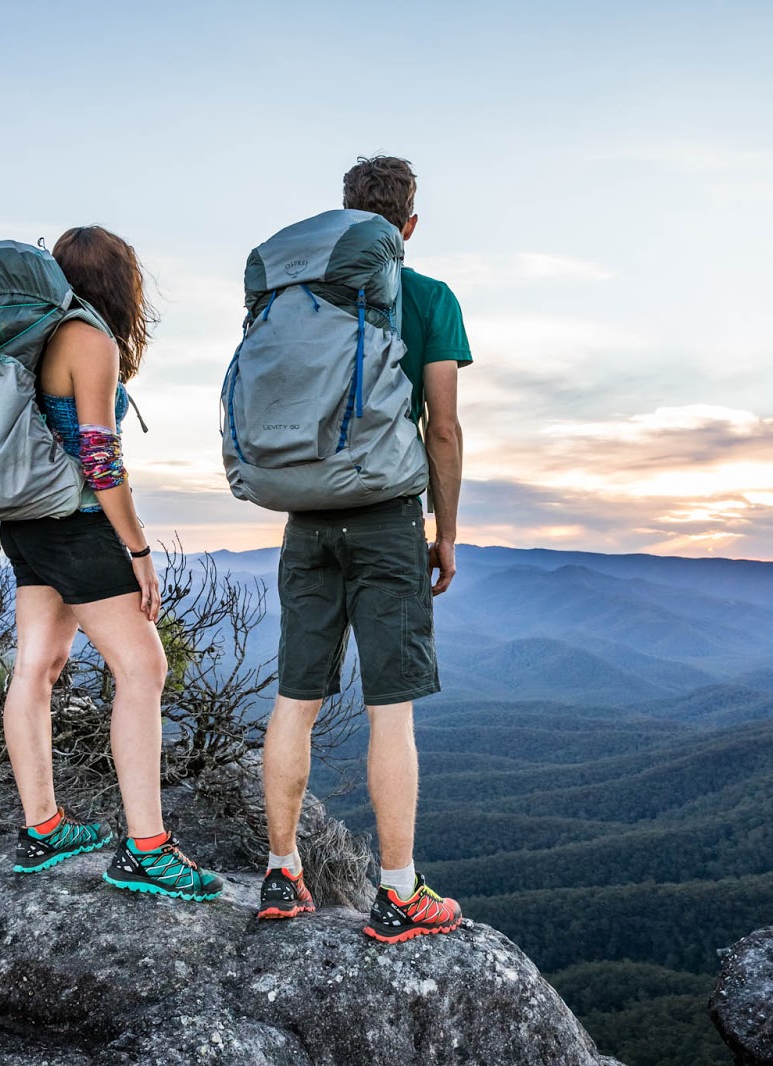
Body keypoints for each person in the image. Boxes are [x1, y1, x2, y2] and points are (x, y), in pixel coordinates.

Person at [257, 157, 472, 942]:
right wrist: (444, 531)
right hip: (385, 519)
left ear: (345, 216)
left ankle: (282, 876)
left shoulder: (299, 297)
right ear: (408, 226)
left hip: (307, 517)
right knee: (391, 711)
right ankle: (398, 892)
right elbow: (441, 426)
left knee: (296, 700)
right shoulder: (427, 298)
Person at [0, 225, 222, 902]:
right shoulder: (88, 340)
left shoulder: (36, 339)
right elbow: (98, 456)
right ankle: (146, 849)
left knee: (37, 667)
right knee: (144, 666)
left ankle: (43, 829)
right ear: (122, 285)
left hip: (28, 523)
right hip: (77, 527)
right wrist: (138, 547)